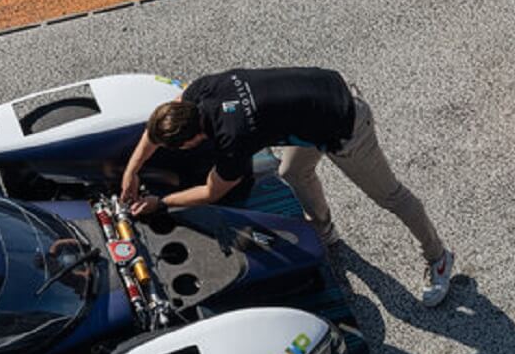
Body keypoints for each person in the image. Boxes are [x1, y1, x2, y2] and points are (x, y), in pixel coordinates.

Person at [119, 67, 456, 307]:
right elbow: (157, 129)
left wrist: (160, 204)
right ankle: (326, 232)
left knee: (391, 196)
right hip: (319, 100)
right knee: (294, 171)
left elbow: (211, 193)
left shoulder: (233, 139)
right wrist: (132, 171)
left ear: (193, 139)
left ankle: (439, 257)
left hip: (346, 126)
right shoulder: (201, 92)